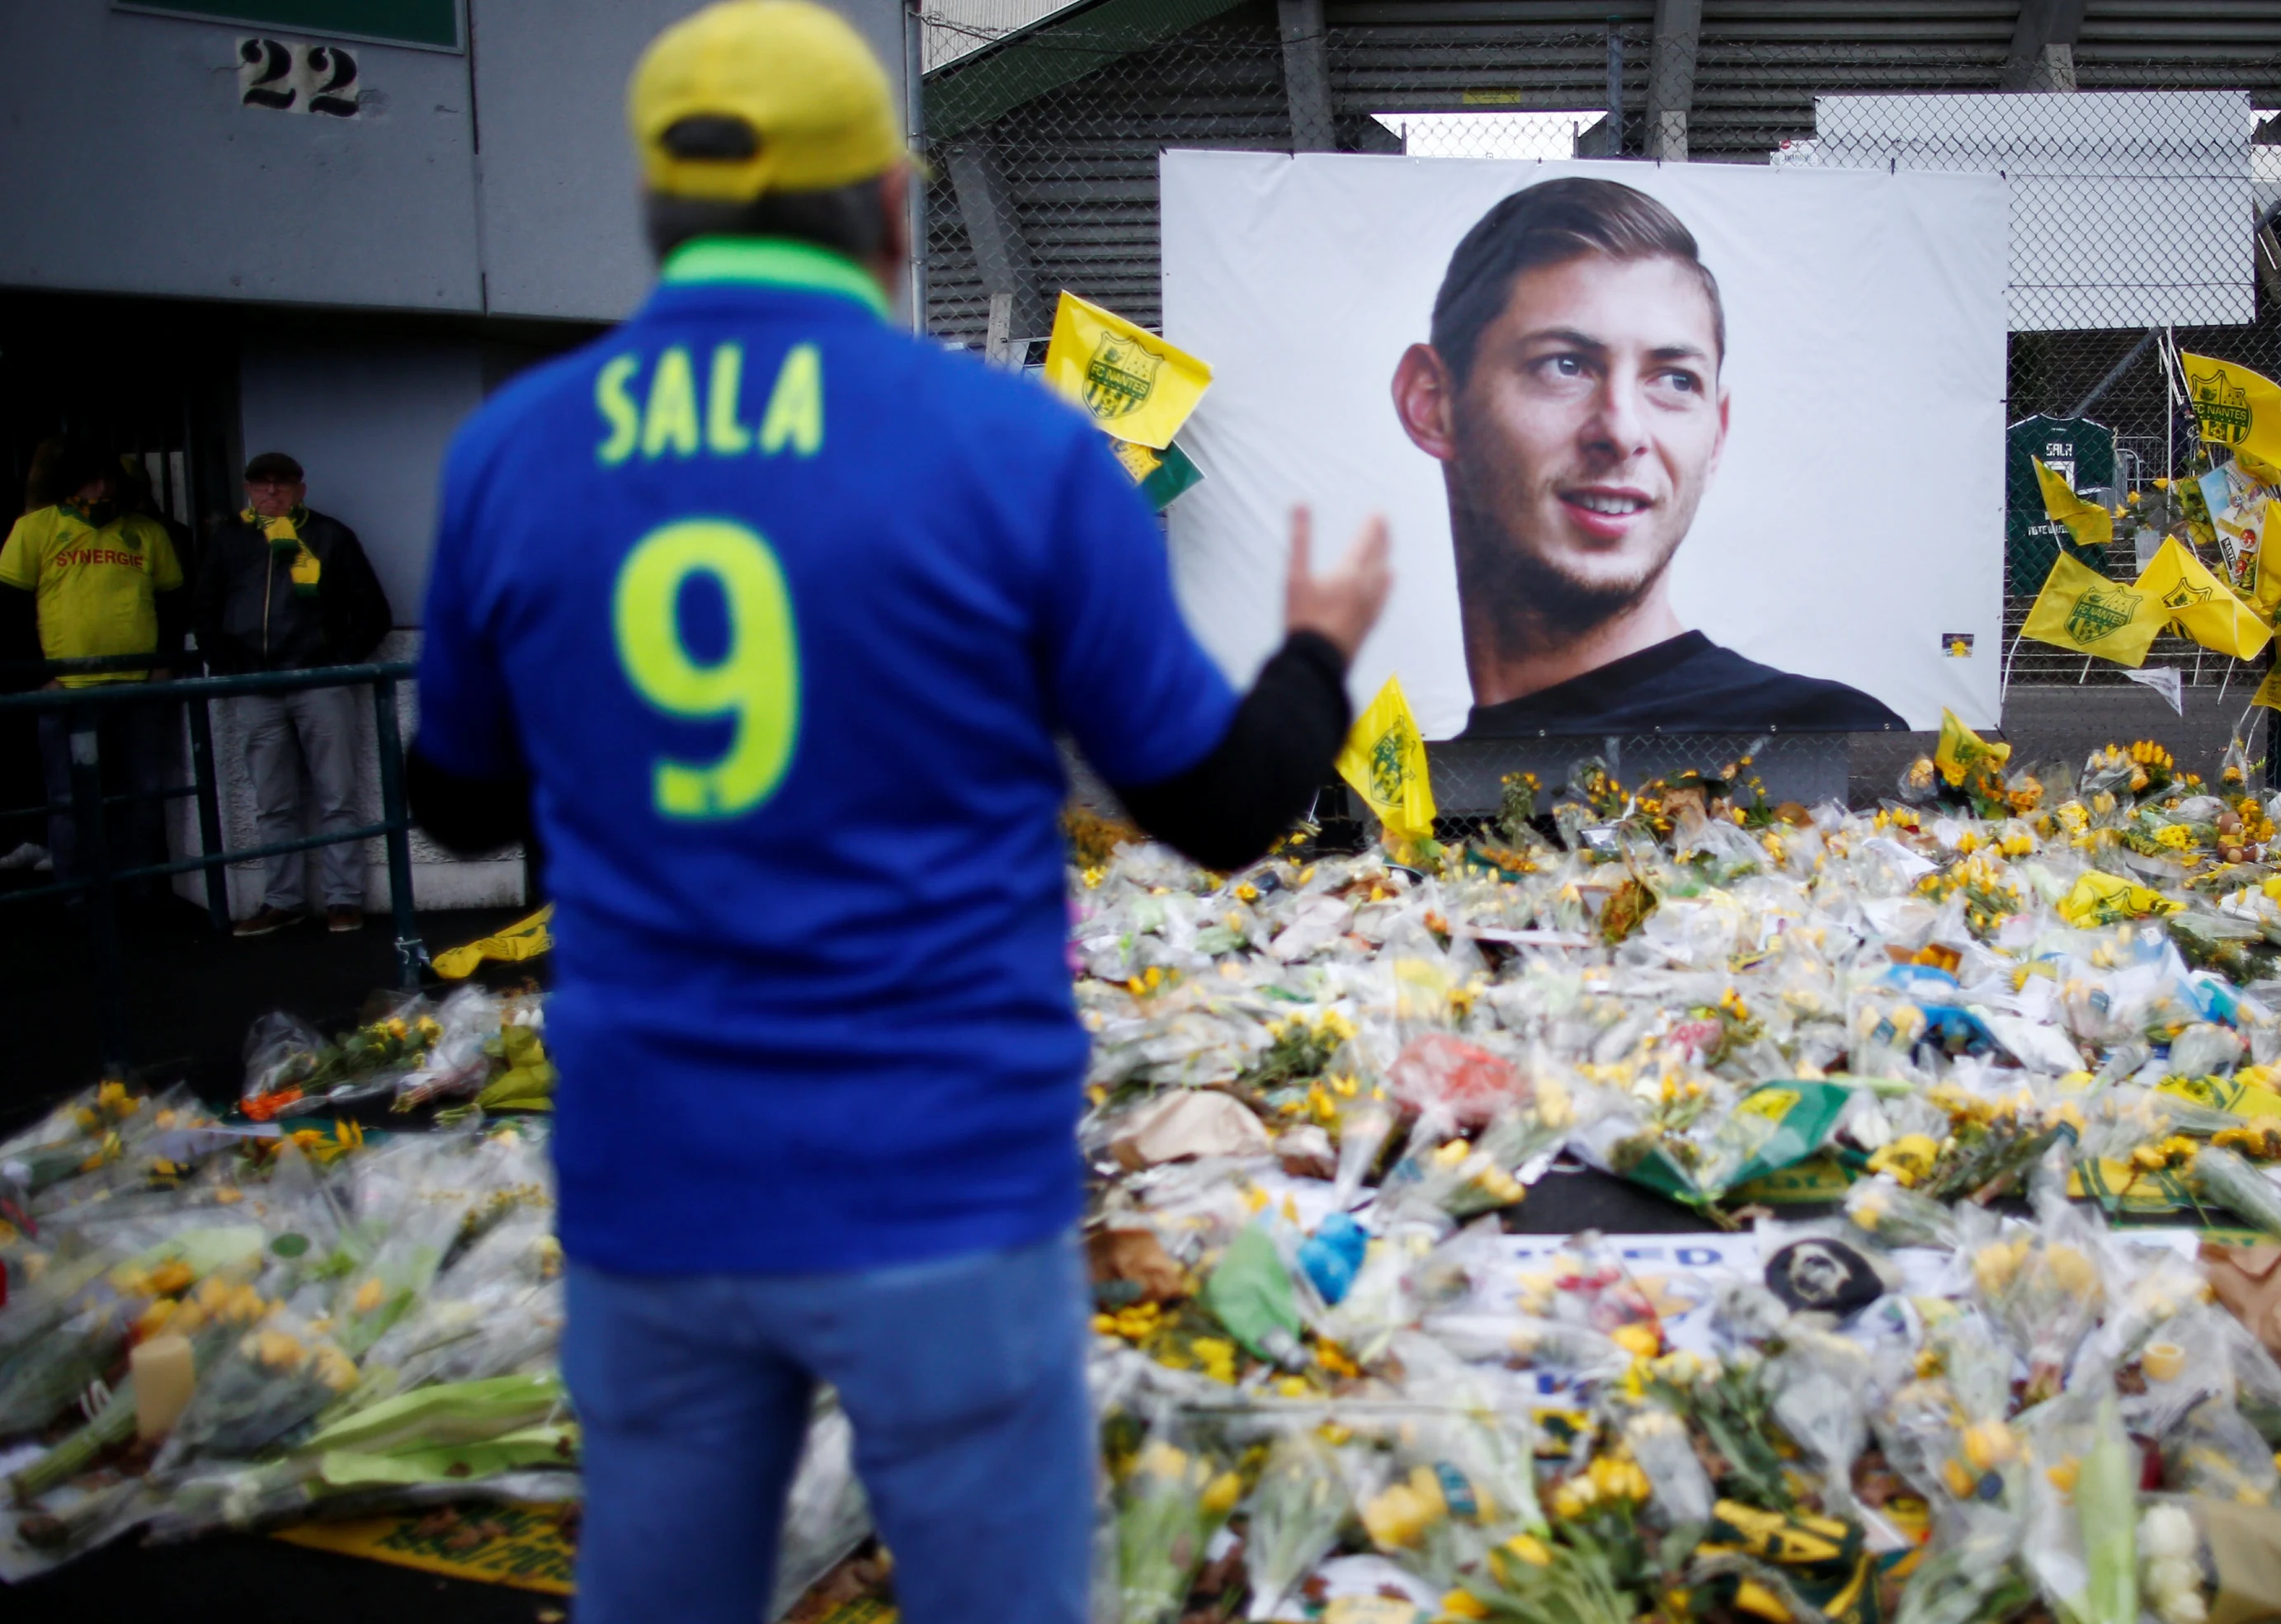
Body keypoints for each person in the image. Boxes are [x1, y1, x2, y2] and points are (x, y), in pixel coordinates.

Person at [402, 5, 1391, 1622]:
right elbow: (1217, 808)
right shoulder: (1016, 454)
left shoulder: (514, 450)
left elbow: (454, 798)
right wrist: (1320, 647)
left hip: (653, 1176)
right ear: (889, 206)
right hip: (940, 1182)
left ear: (663, 211)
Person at [1388, 177, 1902, 738]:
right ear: (1432, 404)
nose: (1622, 429)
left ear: (1717, 436)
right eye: (1564, 365)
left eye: (1676, 380)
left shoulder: (1824, 740)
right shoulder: (1386, 787)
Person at [192, 451, 394, 934]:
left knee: (337, 795)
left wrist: (332, 663)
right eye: (262, 484)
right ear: (248, 489)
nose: (272, 492)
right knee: (273, 800)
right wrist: (229, 667)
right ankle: (282, 900)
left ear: (301, 489)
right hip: (256, 686)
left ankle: (343, 898)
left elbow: (373, 612)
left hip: (316, 683)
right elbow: (205, 608)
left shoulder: (330, 535)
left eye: (283, 484)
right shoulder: (229, 539)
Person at [0, 434, 186, 895]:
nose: (100, 491)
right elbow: (9, 610)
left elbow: (174, 603)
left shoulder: (147, 532)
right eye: (89, 482)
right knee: (68, 800)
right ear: (69, 484)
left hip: (137, 686)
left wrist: (163, 664)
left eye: (106, 481)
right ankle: (77, 898)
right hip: (67, 688)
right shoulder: (35, 528)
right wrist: (39, 675)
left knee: (142, 795)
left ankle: (138, 891)